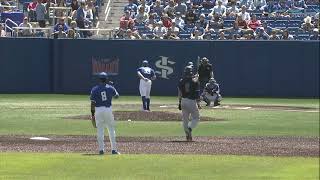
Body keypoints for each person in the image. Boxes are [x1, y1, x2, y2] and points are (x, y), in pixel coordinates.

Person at [90, 72, 120, 155]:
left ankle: (101, 150)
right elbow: (117, 96)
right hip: (108, 110)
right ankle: (114, 150)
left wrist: (92, 114)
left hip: (98, 110)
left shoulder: (94, 89)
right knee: (111, 129)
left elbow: (92, 103)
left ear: (99, 79)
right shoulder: (110, 87)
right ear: (106, 79)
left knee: (100, 129)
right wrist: (113, 87)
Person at [178, 66, 200, 141]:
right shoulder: (194, 80)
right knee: (196, 118)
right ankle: (189, 129)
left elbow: (180, 93)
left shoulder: (181, 81)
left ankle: (187, 135)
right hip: (191, 101)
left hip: (183, 100)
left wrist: (179, 102)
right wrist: (197, 76)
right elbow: (195, 82)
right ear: (191, 72)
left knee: (185, 120)